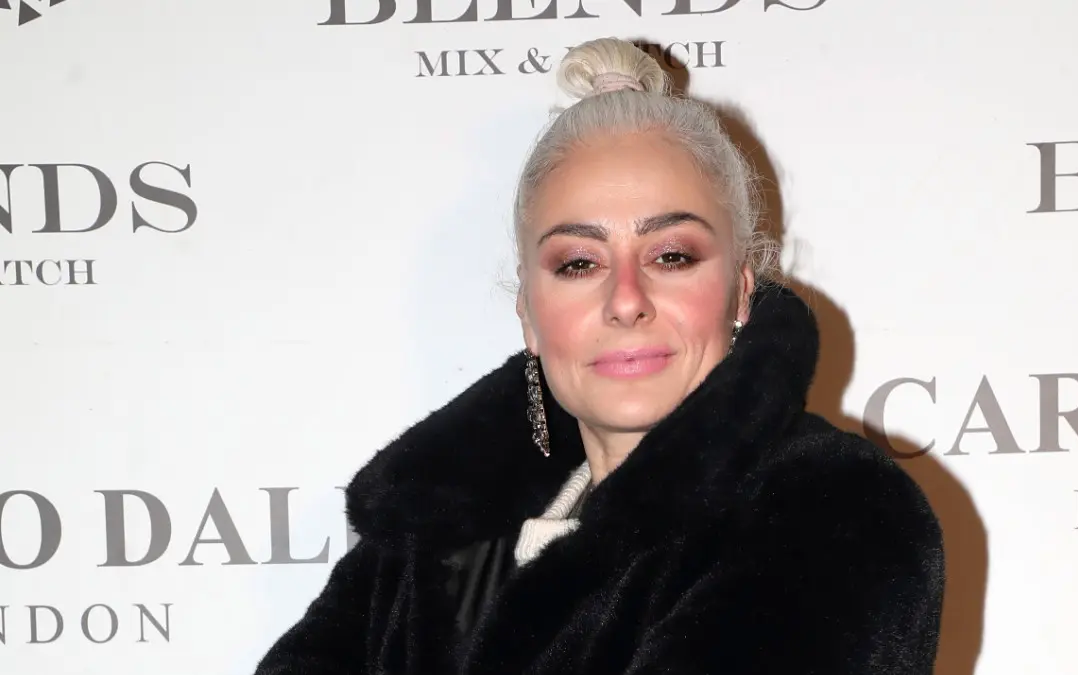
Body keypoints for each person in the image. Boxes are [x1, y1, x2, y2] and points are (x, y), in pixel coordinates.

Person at [252, 37, 945, 675]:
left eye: (671, 255)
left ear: (740, 292)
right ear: (528, 311)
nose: (626, 300)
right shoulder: (422, 542)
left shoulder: (834, 511)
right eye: (579, 263)